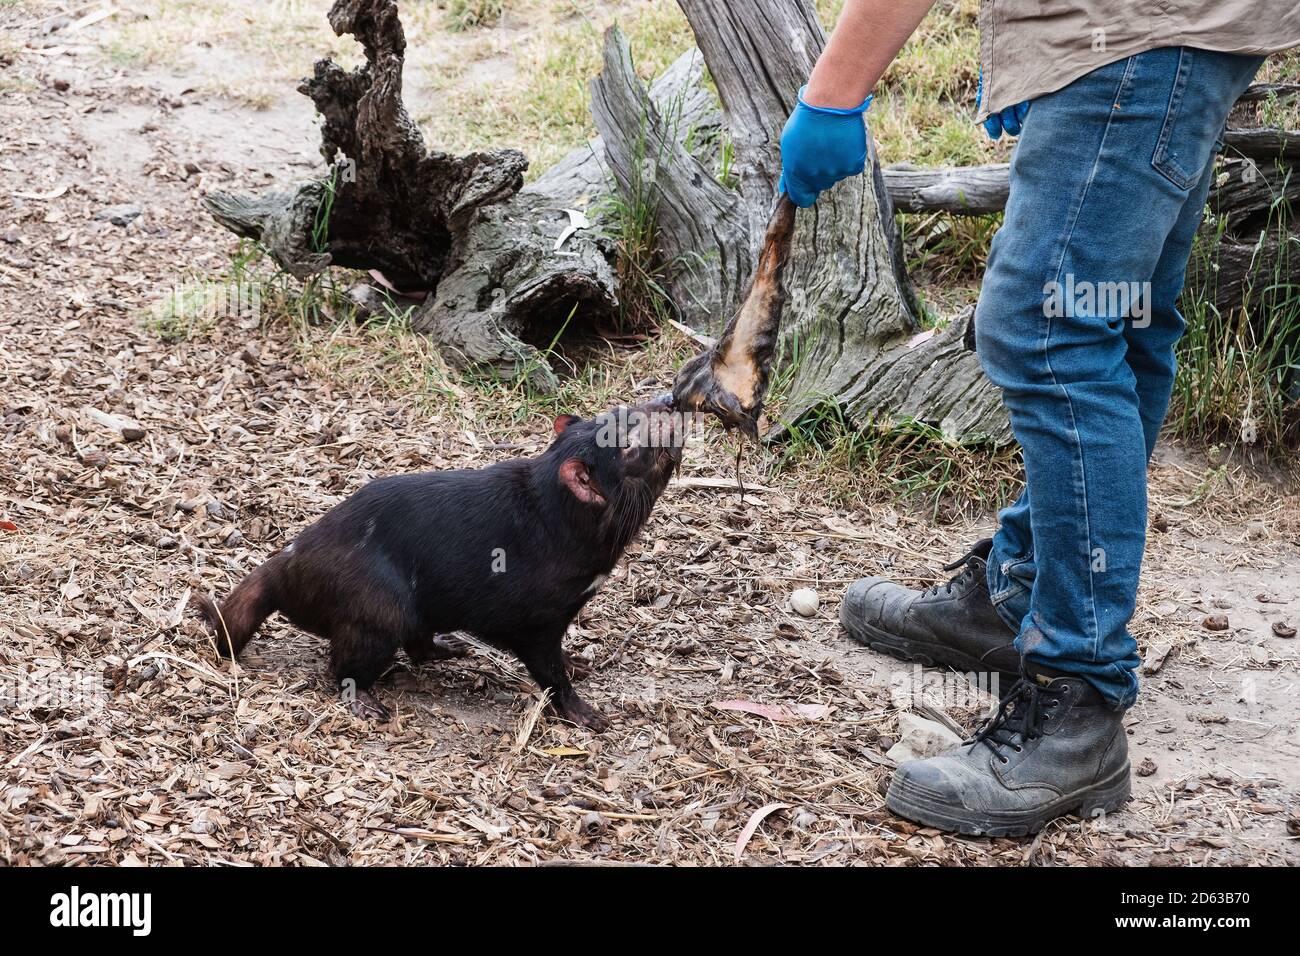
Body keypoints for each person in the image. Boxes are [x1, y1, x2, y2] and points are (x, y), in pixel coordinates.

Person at [779, 0, 1298, 836]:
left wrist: (832, 96)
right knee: (1123, 317)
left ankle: (1076, 698)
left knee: (1049, 329)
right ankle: (1019, 599)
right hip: (1178, 30)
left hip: (1134, 33)